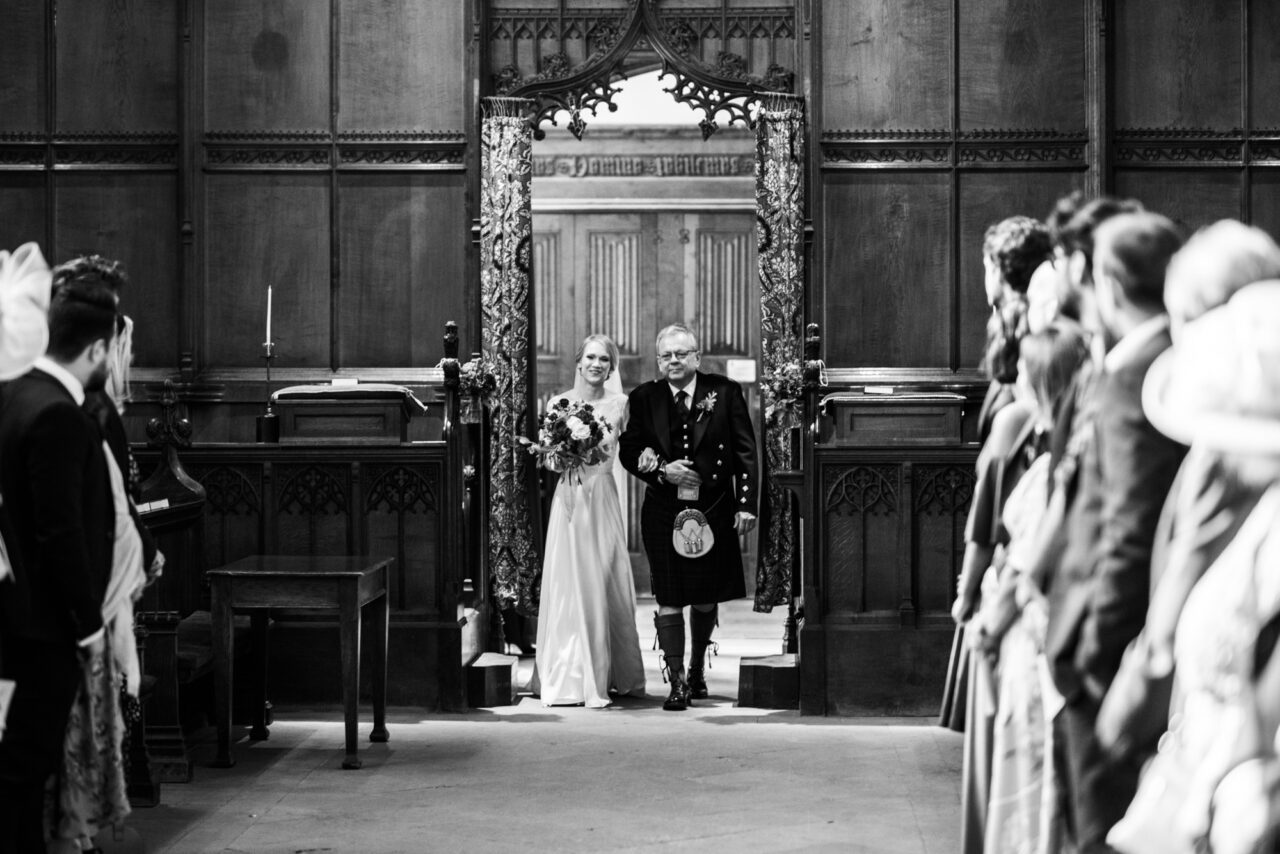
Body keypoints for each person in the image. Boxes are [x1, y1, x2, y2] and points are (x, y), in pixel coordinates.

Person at [1044, 211, 1186, 852]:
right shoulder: (1148, 361)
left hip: (1109, 651)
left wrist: (1092, 653)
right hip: (1112, 644)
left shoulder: (1137, 377)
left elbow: (1128, 530)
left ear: (1107, 280)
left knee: (1097, 831)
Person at [0, 275, 117, 854]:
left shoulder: (11, 396)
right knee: (25, 771)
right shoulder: (58, 416)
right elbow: (61, 532)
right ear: (96, 350)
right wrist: (90, 626)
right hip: (42, 626)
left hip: (14, 612)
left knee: (19, 773)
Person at [49, 307, 159, 851]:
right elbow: (104, 510)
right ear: (104, 349)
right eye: (126, 347)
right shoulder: (86, 412)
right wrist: (142, 553)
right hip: (86, 592)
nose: (131, 358)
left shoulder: (77, 407)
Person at [981, 320, 1090, 854]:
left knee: (1032, 775)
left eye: (1025, 369)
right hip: (1023, 632)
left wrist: (990, 623)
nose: (1015, 376)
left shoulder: (1058, 465)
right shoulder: (1049, 454)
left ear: (1044, 379)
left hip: (1032, 636)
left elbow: (1027, 561)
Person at [619, 323, 758, 711]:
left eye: (682, 354)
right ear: (658, 360)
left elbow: (746, 451)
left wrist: (746, 503)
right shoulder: (645, 397)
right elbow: (629, 449)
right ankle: (676, 679)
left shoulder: (725, 392)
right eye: (666, 355)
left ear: (697, 357)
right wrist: (660, 470)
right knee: (668, 595)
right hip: (664, 509)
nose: (674, 361)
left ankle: (698, 668)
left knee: (705, 594)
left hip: (712, 506)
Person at [533, 334, 645, 707]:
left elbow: (629, 451)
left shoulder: (621, 404)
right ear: (579, 362)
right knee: (569, 580)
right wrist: (565, 453)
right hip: (570, 498)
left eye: (605, 360)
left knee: (603, 577)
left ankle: (608, 672)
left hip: (602, 499)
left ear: (612, 367)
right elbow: (547, 460)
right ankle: (569, 673)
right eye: (591, 358)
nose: (597, 365)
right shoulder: (559, 403)